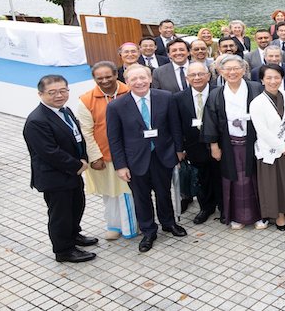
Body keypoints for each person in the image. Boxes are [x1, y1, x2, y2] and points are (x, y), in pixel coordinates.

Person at [106, 64, 186, 253]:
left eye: (143, 78)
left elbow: (175, 126)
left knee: (164, 192)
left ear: (150, 79)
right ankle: (149, 230)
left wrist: (179, 150)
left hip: (163, 155)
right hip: (135, 160)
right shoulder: (116, 106)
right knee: (141, 197)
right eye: (134, 79)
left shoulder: (166, 98)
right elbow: (114, 138)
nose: (139, 82)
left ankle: (168, 223)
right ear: (126, 82)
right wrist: (120, 165)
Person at [24, 74, 98, 263]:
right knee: (60, 215)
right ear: (40, 94)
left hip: (72, 173)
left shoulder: (65, 111)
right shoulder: (37, 121)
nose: (59, 95)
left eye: (63, 90)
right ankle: (63, 250)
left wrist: (83, 157)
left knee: (76, 206)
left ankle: (73, 235)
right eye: (52, 92)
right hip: (55, 177)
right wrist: (77, 165)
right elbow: (49, 152)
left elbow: (76, 136)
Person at [201, 55, 266, 230]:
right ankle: (237, 217)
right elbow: (210, 120)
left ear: (244, 70)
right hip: (229, 143)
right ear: (220, 72)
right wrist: (214, 145)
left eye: (236, 68)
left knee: (255, 178)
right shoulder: (216, 93)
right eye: (227, 69)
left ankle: (260, 215)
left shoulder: (256, 88)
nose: (232, 72)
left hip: (254, 141)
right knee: (234, 180)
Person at [77, 62, 137, 241]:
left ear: (115, 74)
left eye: (108, 76)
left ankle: (133, 225)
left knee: (130, 192)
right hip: (104, 156)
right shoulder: (86, 100)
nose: (104, 81)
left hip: (132, 154)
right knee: (110, 193)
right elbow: (86, 132)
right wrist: (95, 157)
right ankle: (114, 225)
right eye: (99, 78)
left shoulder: (130, 91)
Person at [250, 65, 285, 231]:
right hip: (270, 150)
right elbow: (261, 130)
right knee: (274, 184)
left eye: (277, 77)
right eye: (269, 78)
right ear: (262, 80)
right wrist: (282, 146)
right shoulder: (257, 102)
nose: (273, 81)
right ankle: (278, 214)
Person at [172, 62, 222, 225]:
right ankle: (206, 208)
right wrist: (179, 148)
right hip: (194, 146)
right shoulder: (179, 98)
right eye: (193, 75)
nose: (197, 78)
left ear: (208, 76)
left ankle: (224, 206)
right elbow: (177, 126)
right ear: (187, 78)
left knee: (220, 176)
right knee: (201, 178)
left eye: (201, 74)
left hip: (219, 144)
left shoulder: (219, 92)